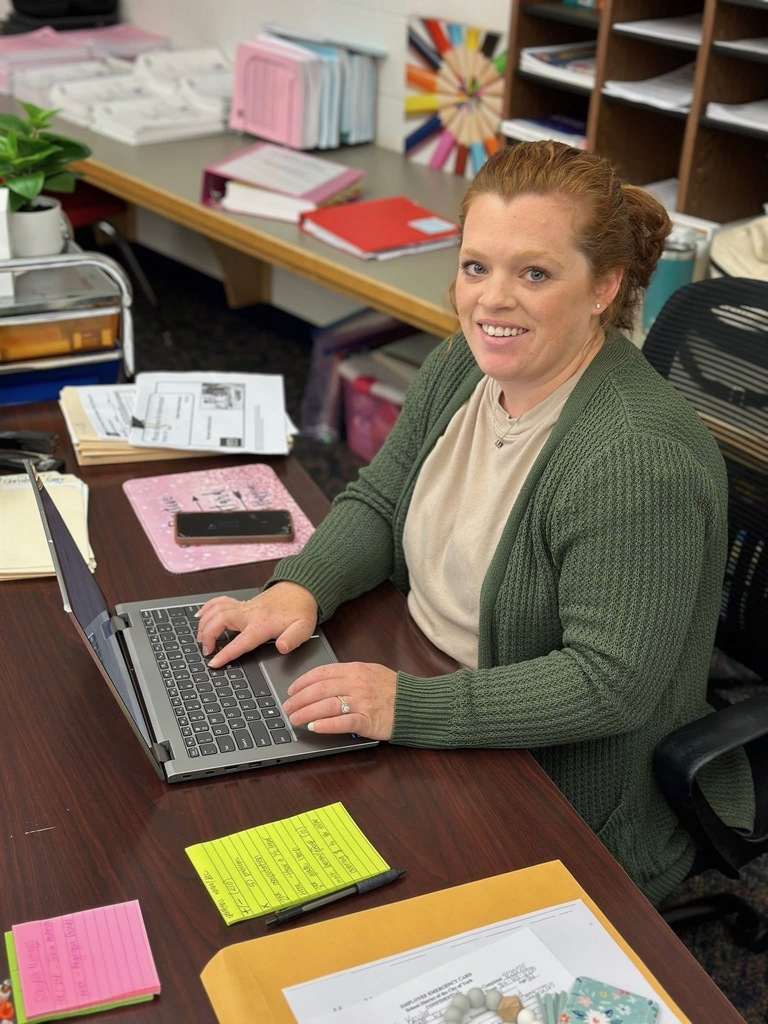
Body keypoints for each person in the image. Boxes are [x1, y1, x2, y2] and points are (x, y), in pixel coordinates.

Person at [196, 140, 753, 904]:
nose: (492, 300)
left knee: (320, 906)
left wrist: (403, 706)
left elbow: (608, 684)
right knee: (223, 811)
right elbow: (381, 498)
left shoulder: (633, 457)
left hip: (560, 777)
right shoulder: (465, 362)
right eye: (476, 266)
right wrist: (299, 589)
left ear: (604, 287)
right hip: (421, 669)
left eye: (535, 273)